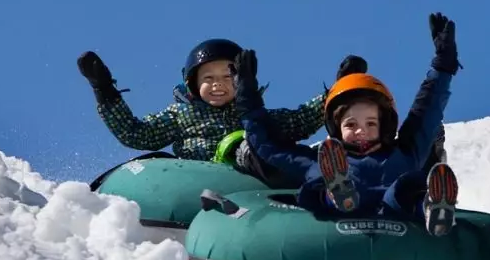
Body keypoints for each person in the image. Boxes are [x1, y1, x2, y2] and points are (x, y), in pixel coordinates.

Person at [234, 12, 462, 236]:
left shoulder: (404, 153)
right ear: (336, 128)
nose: (361, 131)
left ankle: (432, 209)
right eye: (351, 125)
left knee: (408, 186)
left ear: (385, 126)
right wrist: (247, 100)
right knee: (319, 183)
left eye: (371, 123)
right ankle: (338, 192)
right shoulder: (319, 159)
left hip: (395, 211)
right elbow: (270, 146)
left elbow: (426, 111)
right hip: (339, 218)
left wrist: (443, 65)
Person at [76, 39, 327, 167]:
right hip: (199, 182)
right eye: (208, 78)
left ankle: (326, 170)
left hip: (250, 186)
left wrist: (339, 93)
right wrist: (105, 91)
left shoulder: (256, 116)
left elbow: (300, 119)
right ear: (193, 84)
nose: (218, 84)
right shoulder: (181, 115)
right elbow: (137, 134)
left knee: (273, 146)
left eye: (228, 77)